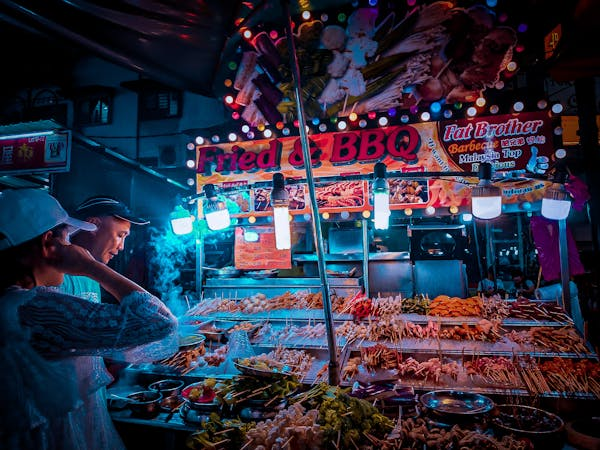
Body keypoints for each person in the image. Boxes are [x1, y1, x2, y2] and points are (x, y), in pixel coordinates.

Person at [0, 188, 178, 450]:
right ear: (49, 243)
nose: (73, 247)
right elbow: (158, 321)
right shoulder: (31, 308)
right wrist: (91, 266)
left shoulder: (17, 300)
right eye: (67, 240)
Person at [55, 195, 151, 450]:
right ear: (92, 224)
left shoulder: (92, 274)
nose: (121, 246)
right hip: (59, 403)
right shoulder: (53, 276)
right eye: (120, 235)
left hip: (90, 398)